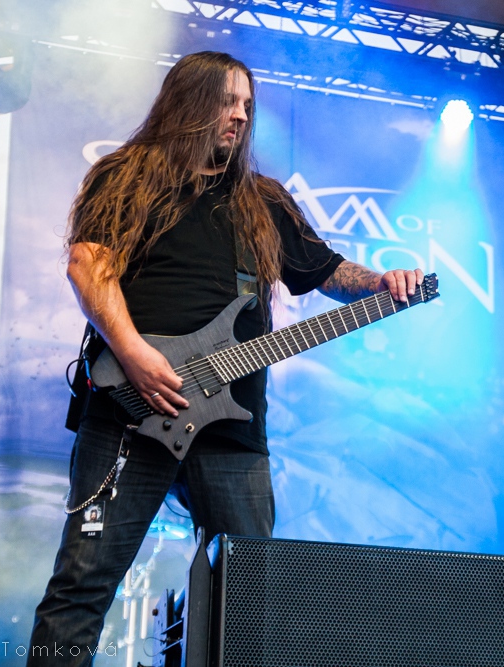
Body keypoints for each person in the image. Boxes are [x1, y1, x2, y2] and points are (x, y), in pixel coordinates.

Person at [28, 51, 423, 663]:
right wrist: (133, 353)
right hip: (130, 409)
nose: (240, 115)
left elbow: (324, 271)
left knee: (248, 601)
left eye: (247, 105)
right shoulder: (126, 176)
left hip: (231, 426)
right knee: (81, 587)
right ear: (189, 101)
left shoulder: (260, 200)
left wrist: (381, 282)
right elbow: (88, 265)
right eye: (227, 101)